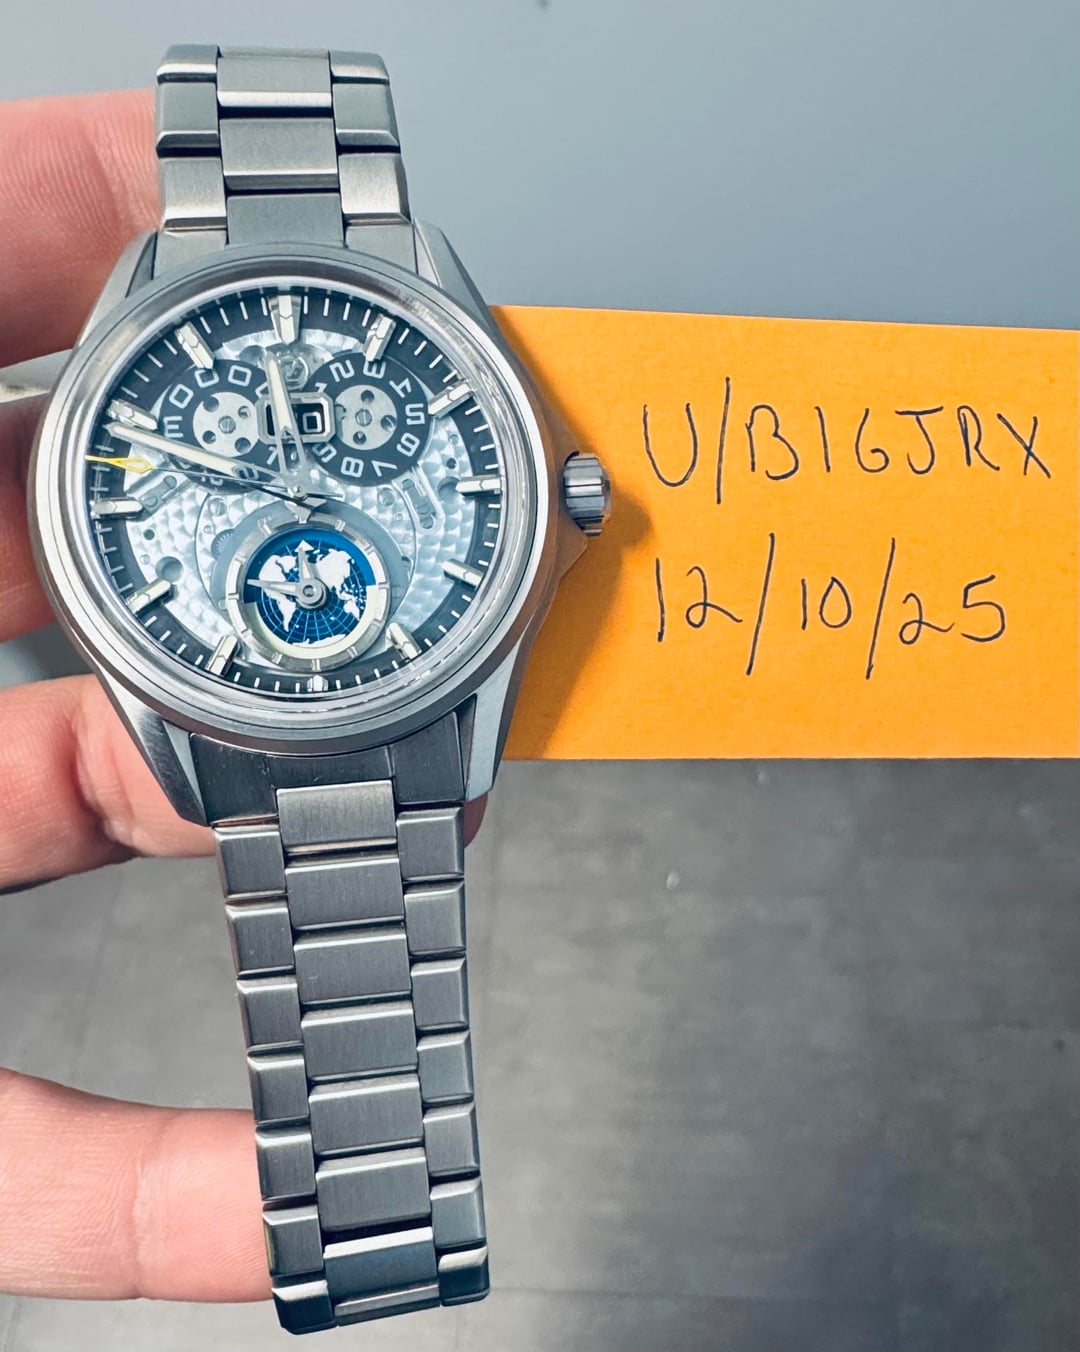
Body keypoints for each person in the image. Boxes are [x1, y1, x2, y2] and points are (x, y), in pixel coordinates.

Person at [0, 86, 482, 1307]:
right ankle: (385, 1239)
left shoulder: (417, 302)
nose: (308, 487)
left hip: (403, 685)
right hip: (228, 701)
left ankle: (387, 1240)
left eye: (341, 440)